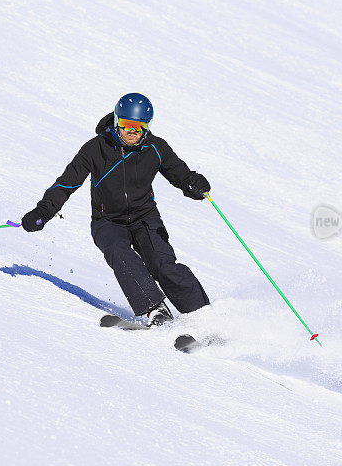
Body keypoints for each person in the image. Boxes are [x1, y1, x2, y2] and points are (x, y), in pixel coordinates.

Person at [21, 93, 211, 326]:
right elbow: (66, 184)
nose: (132, 131)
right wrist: (42, 213)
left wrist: (194, 185)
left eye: (138, 127)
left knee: (163, 265)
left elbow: (180, 175)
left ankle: (202, 316)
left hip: (145, 218)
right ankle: (155, 310)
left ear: (146, 127)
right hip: (107, 221)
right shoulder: (95, 149)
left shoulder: (156, 147)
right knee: (120, 253)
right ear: (116, 121)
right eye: (126, 125)